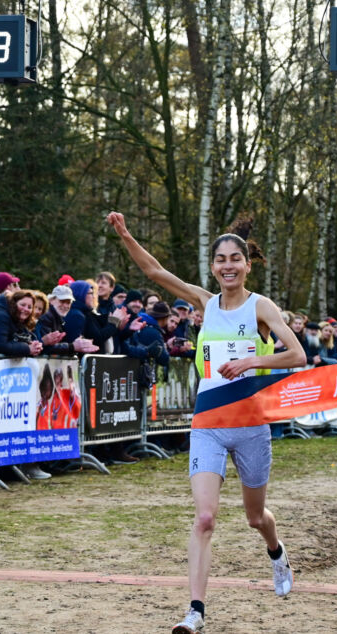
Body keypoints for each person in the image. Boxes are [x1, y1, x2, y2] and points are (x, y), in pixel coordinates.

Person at [107, 211, 305, 634]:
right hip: (209, 424)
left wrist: (253, 359)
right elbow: (154, 271)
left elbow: (297, 355)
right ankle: (195, 611)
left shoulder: (261, 307)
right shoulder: (204, 302)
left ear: (247, 264)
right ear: (213, 266)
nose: (228, 266)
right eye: (221, 260)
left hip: (251, 424)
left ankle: (276, 551)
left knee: (256, 518)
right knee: (205, 518)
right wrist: (125, 235)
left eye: (236, 258)